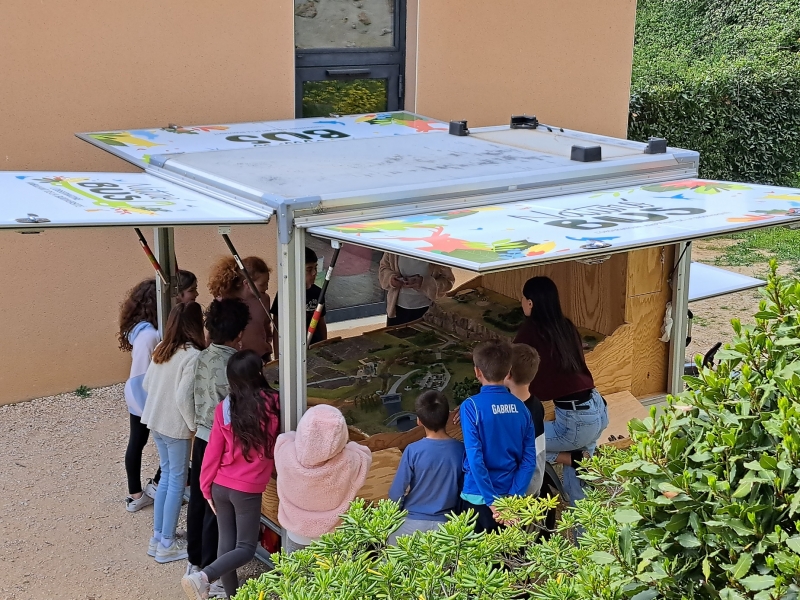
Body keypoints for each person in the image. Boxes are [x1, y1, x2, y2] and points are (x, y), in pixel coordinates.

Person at [181, 351, 280, 600]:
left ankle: (231, 595)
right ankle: (204, 577)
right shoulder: (273, 403)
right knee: (245, 548)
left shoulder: (224, 408)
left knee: (226, 544)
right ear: (259, 373)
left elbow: (212, 452)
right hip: (246, 490)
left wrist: (206, 489)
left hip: (220, 486)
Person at [513, 276, 609, 504]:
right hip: (597, 409)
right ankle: (584, 521)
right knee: (580, 494)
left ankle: (572, 458)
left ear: (530, 303)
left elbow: (514, 369)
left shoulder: (530, 332)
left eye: (523, 299)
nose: (522, 303)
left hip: (575, 421)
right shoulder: (566, 326)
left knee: (520, 441)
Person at [186, 299, 251, 592]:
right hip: (222, 441)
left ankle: (195, 559)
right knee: (217, 508)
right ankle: (210, 572)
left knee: (199, 499)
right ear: (239, 333)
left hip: (201, 437)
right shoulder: (233, 364)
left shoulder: (203, 356)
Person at [141, 302, 206, 563]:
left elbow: (147, 383)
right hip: (175, 427)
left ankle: (158, 537)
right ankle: (167, 543)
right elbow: (183, 397)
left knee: (167, 477)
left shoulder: (161, 349)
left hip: (155, 421)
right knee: (176, 481)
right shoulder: (193, 355)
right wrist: (193, 425)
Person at [459, 340, 536, 533]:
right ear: (509, 371)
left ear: (477, 372)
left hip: (478, 497)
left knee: (476, 551)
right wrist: (512, 499)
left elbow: (475, 458)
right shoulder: (522, 408)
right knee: (509, 551)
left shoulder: (471, 406)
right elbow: (529, 460)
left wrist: (493, 502)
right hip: (510, 497)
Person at [274, 404, 372, 552]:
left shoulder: (285, 452)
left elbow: (285, 438)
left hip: (296, 532)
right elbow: (364, 454)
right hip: (332, 535)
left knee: (294, 566)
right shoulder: (349, 462)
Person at [387, 391, 464, 544]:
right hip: (446, 525)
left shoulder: (413, 450)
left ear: (419, 421)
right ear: (447, 417)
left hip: (410, 523)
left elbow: (396, 492)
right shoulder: (461, 450)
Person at [118, 278, 161, 512]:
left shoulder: (142, 331)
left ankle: (153, 487)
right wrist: (148, 409)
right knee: (140, 442)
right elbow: (140, 375)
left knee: (139, 442)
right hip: (145, 399)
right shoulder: (149, 336)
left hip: (141, 398)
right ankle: (137, 494)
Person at [208, 256, 273, 361]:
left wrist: (267, 343)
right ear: (247, 283)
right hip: (236, 359)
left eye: (267, 283)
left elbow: (266, 325)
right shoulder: (225, 301)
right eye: (262, 284)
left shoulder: (264, 299)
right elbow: (214, 332)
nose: (267, 287)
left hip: (261, 356)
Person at [506, 344, 546, 497]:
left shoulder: (512, 414)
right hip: (536, 477)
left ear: (508, 373)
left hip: (520, 485)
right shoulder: (536, 405)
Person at [270, 247, 327, 348]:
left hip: (315, 346)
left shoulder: (318, 292)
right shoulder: (285, 294)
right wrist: (279, 355)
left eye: (315, 268)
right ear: (296, 269)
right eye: (309, 269)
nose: (314, 273)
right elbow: (277, 328)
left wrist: (325, 345)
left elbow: (321, 323)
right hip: (293, 348)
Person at [379, 253, 455, 326]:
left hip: (427, 310)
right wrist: (391, 279)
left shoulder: (436, 252)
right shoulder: (396, 248)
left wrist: (424, 283)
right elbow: (383, 268)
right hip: (396, 309)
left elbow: (448, 281)